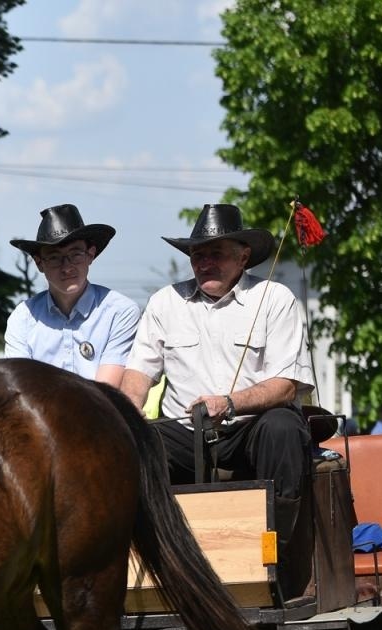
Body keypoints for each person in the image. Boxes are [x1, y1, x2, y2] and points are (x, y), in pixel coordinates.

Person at [121, 203, 314, 597]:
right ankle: (145, 567)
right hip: (184, 435)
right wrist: (123, 413)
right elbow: (139, 375)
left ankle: (276, 556)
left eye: (216, 253)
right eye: (198, 255)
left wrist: (229, 402)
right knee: (134, 440)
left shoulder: (275, 298)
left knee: (283, 426)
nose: (205, 262)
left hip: (250, 430)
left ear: (243, 256)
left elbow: (286, 386)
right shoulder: (164, 303)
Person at [4, 204, 139, 387]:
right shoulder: (23, 317)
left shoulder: (120, 311)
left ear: (90, 255)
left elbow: (106, 392)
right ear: (39, 264)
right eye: (54, 257)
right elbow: (20, 386)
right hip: (40, 414)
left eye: (75, 255)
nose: (67, 267)